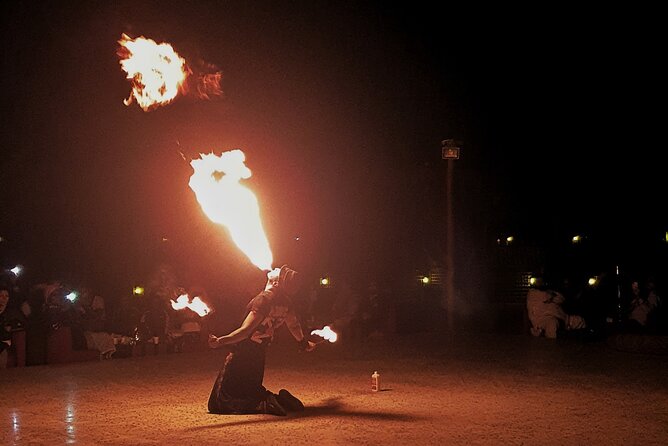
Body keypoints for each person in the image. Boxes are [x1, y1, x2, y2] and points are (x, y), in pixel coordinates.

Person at [207, 265, 316, 416]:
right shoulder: (286, 302)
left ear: (277, 283)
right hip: (259, 354)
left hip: (243, 353)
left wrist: (220, 341)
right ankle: (283, 401)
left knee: (218, 401)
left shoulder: (263, 300)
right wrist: (303, 343)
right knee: (250, 390)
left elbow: (246, 331)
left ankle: (265, 404)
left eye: (279, 271)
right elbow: (294, 324)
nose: (276, 268)